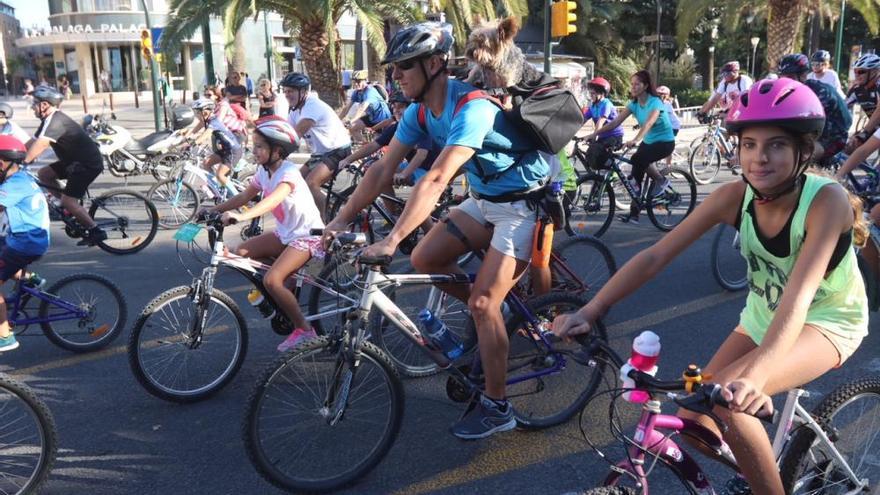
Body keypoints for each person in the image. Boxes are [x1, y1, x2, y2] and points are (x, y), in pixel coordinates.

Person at [553, 78, 868, 495]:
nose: (759, 158)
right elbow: (654, 257)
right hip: (764, 317)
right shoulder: (734, 196)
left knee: (731, 405)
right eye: (749, 144)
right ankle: (764, 458)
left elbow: (801, 294)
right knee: (695, 425)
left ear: (803, 151)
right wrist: (588, 311)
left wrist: (756, 376)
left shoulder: (827, 202)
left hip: (827, 321)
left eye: (776, 145)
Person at [325, 21, 550, 440]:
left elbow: (436, 179)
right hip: (485, 199)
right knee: (427, 258)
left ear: (433, 64)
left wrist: (391, 241)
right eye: (392, 69)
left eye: (403, 67)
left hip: (521, 204)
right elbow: (381, 170)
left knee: (481, 303)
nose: (395, 76)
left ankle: (498, 407)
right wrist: (336, 222)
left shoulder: (474, 108)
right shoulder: (419, 111)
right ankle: (496, 317)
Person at [208, 117, 324, 352]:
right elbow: (243, 196)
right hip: (285, 235)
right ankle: (285, 285)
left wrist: (241, 217)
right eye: (254, 145)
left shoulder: (288, 172)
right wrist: (214, 209)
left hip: (307, 235)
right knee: (242, 253)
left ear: (277, 150)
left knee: (272, 280)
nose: (254, 150)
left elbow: (272, 200)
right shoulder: (264, 172)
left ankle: (304, 330)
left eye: (260, 146)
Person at [584, 70, 675, 224]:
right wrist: (594, 134)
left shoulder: (655, 102)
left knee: (637, 158)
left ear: (645, 86)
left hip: (665, 142)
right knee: (636, 174)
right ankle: (634, 214)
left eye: (637, 84)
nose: (633, 87)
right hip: (649, 142)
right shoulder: (633, 104)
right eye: (632, 84)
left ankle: (661, 181)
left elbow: (649, 122)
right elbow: (614, 123)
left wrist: (635, 139)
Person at [26, 86, 107, 246]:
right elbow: (32, 142)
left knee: (69, 200)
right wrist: (12, 155)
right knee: (44, 174)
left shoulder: (56, 122)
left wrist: (23, 162)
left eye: (35, 103)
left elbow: (42, 144)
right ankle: (67, 208)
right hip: (73, 162)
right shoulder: (47, 120)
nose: (32, 106)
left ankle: (95, 231)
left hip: (86, 164)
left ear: (44, 105)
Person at [0, 136, 49, 352]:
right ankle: (32, 280)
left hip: (25, 242)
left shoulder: (14, 185)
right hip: (25, 239)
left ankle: (5, 336)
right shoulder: (20, 177)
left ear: (2, 163)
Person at [281, 72, 352, 216]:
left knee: (311, 183)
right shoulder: (295, 110)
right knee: (295, 183)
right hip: (320, 154)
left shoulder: (312, 105)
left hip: (338, 150)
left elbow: (295, 135)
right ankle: (330, 209)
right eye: (285, 91)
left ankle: (327, 222)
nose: (287, 94)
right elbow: (285, 134)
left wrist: (277, 154)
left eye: (291, 91)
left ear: (303, 91)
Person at [777, 54, 852, 162]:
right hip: (810, 135)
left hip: (833, 137)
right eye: (782, 78)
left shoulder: (819, 93)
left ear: (803, 75)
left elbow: (807, 125)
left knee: (797, 159)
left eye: (791, 77)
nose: (786, 82)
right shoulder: (788, 92)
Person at [186, 98, 243, 198]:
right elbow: (199, 126)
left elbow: (206, 135)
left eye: (197, 112)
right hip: (225, 150)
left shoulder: (214, 122)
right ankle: (216, 188)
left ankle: (238, 198)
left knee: (220, 175)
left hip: (233, 151)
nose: (196, 115)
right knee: (206, 163)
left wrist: (193, 143)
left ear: (204, 112)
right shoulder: (207, 120)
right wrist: (189, 135)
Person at [581, 77, 625, 169]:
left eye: (593, 93)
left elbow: (601, 121)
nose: (591, 95)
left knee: (597, 151)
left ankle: (614, 172)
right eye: (590, 93)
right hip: (603, 136)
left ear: (601, 93)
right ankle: (600, 178)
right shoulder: (593, 106)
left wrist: (593, 136)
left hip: (615, 136)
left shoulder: (606, 104)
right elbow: (582, 120)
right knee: (590, 155)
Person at [339, 70, 392, 137]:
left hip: (382, 119)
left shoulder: (370, 91)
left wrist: (351, 120)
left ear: (365, 80)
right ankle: (365, 144)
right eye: (354, 81)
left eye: (358, 81)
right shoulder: (357, 92)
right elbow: (347, 108)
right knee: (352, 128)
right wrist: (337, 120)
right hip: (371, 117)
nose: (356, 84)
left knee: (378, 142)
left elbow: (362, 108)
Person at [845, 53, 880, 152]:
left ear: (874, 72)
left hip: (874, 127)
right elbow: (842, 106)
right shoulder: (857, 89)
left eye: (861, 71)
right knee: (850, 148)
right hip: (875, 128)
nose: (857, 75)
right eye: (855, 71)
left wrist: (864, 133)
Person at [656, 85, 681, 168]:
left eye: (663, 94)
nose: (660, 96)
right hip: (666, 126)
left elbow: (657, 116)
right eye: (658, 94)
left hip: (673, 126)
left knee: (667, 143)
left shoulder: (666, 105)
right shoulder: (658, 103)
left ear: (667, 96)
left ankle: (668, 165)